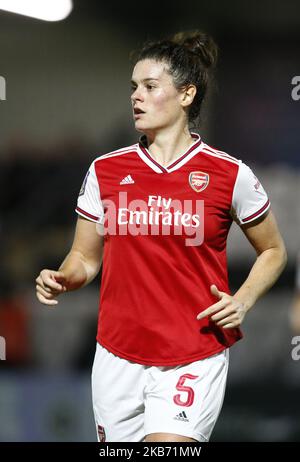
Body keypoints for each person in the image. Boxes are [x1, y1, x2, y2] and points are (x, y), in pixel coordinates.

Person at [35, 30, 287, 442]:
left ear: (186, 95)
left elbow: (273, 251)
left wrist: (243, 300)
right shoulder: (105, 172)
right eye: (133, 87)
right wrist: (62, 277)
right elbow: (84, 259)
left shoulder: (230, 174)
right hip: (118, 354)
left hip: (194, 351)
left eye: (150, 87)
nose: (136, 96)